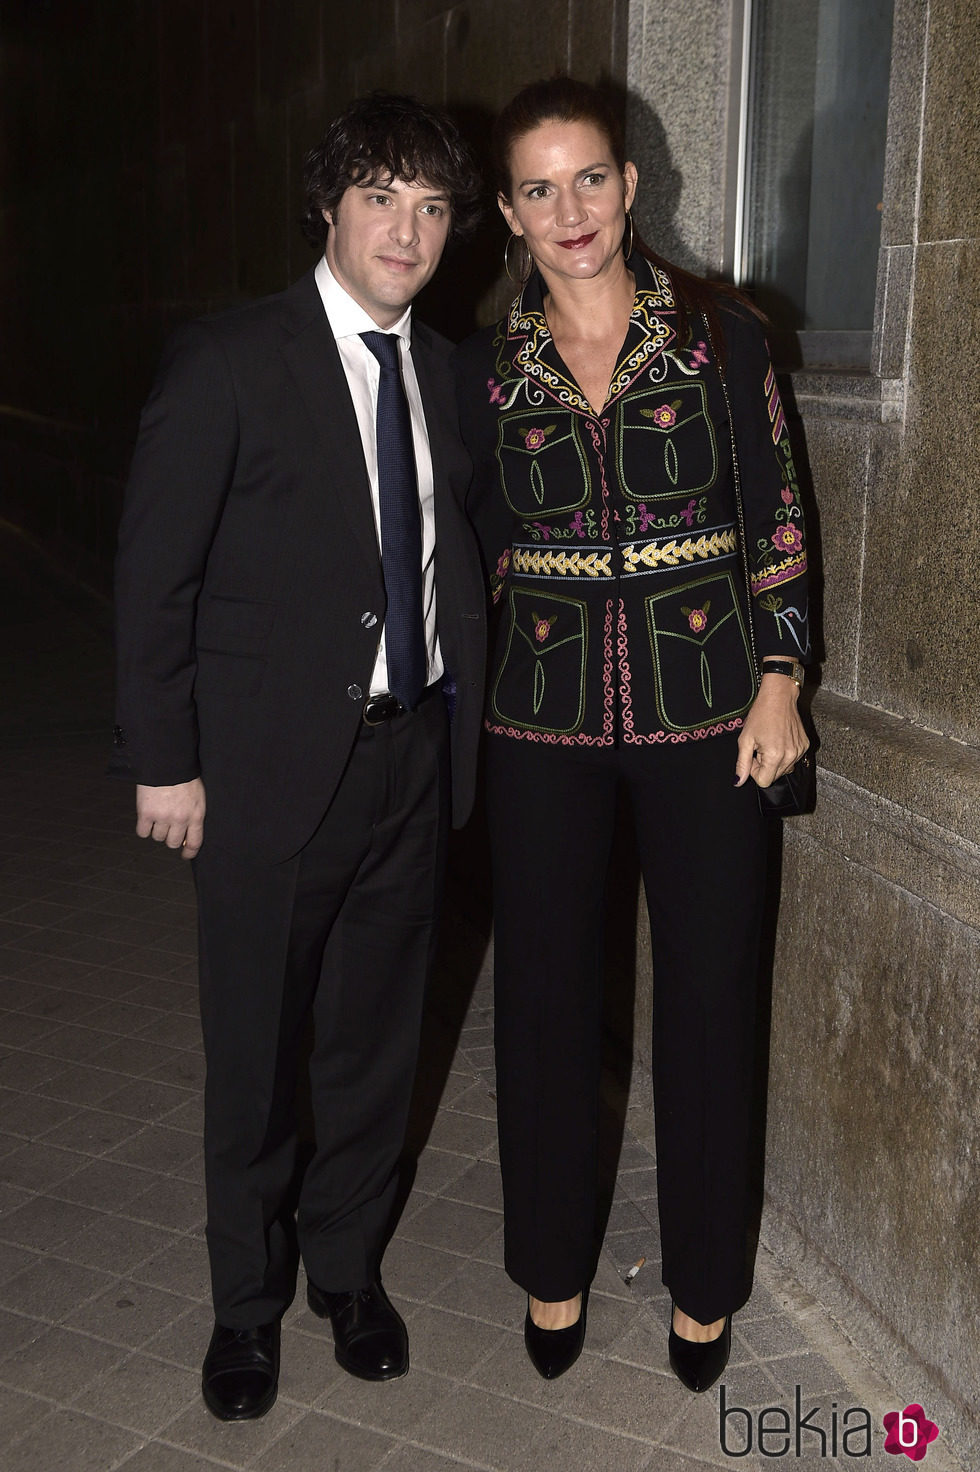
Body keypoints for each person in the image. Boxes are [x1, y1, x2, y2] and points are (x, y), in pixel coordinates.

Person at [112, 93, 485, 1421]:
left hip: (409, 764)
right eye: (382, 196)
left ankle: (348, 1274)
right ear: (328, 208)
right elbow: (156, 577)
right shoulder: (228, 361)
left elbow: (460, 569)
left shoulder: (451, 373)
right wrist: (166, 762)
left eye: (434, 205)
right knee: (257, 1058)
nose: (409, 229)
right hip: (265, 778)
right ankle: (245, 1308)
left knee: (375, 1050)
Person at [454, 77, 810, 1390]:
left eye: (589, 179)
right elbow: (473, 544)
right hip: (540, 727)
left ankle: (704, 1288)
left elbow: (775, 510)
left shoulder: (724, 338)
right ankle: (552, 1267)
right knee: (544, 1000)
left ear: (630, 185)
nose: (571, 211)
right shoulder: (492, 374)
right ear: (506, 214)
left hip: (710, 715)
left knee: (711, 1002)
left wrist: (783, 671)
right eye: (538, 190)